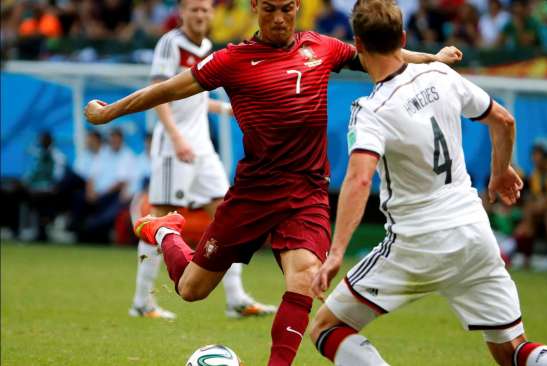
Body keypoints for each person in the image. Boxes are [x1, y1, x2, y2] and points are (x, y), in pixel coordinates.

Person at [83, 0, 463, 362]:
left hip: (307, 191)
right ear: (255, 9)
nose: (279, 18)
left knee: (305, 279)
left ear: (297, 6)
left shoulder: (321, 47)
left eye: (285, 9)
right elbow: (167, 89)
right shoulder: (231, 60)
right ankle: (166, 232)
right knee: (191, 290)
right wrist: (110, 112)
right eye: (269, 10)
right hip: (254, 193)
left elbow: (383, 56)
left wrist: (435, 60)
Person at [308, 1, 547, 365]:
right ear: (402, 37)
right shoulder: (441, 75)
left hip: (416, 242)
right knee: (512, 350)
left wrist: (336, 252)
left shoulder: (370, 110)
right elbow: (504, 121)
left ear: (358, 44)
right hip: (474, 234)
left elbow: (358, 178)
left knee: (325, 328)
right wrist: (499, 171)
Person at [129, 0, 275, 320]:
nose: (200, 15)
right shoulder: (170, 44)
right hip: (173, 147)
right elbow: (158, 93)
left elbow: (195, 97)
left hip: (201, 147)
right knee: (160, 220)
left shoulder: (208, 46)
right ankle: (142, 302)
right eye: (193, 9)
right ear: (182, 12)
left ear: (212, 14)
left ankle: (235, 298)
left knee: (229, 215)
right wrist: (176, 137)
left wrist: (225, 109)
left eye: (205, 10)